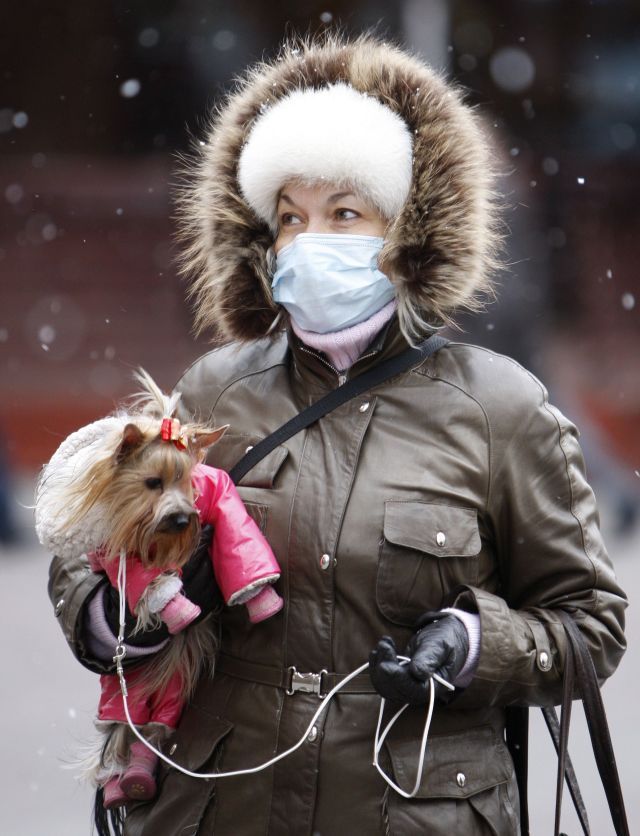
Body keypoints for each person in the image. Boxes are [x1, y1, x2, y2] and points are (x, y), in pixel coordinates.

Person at [48, 34, 627, 835]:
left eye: (345, 214)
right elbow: (90, 543)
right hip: (221, 807)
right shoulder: (218, 389)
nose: (310, 241)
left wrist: (470, 643)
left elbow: (587, 625)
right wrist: (110, 614)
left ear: (408, 235)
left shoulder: (502, 407)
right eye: (290, 218)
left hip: (419, 808)